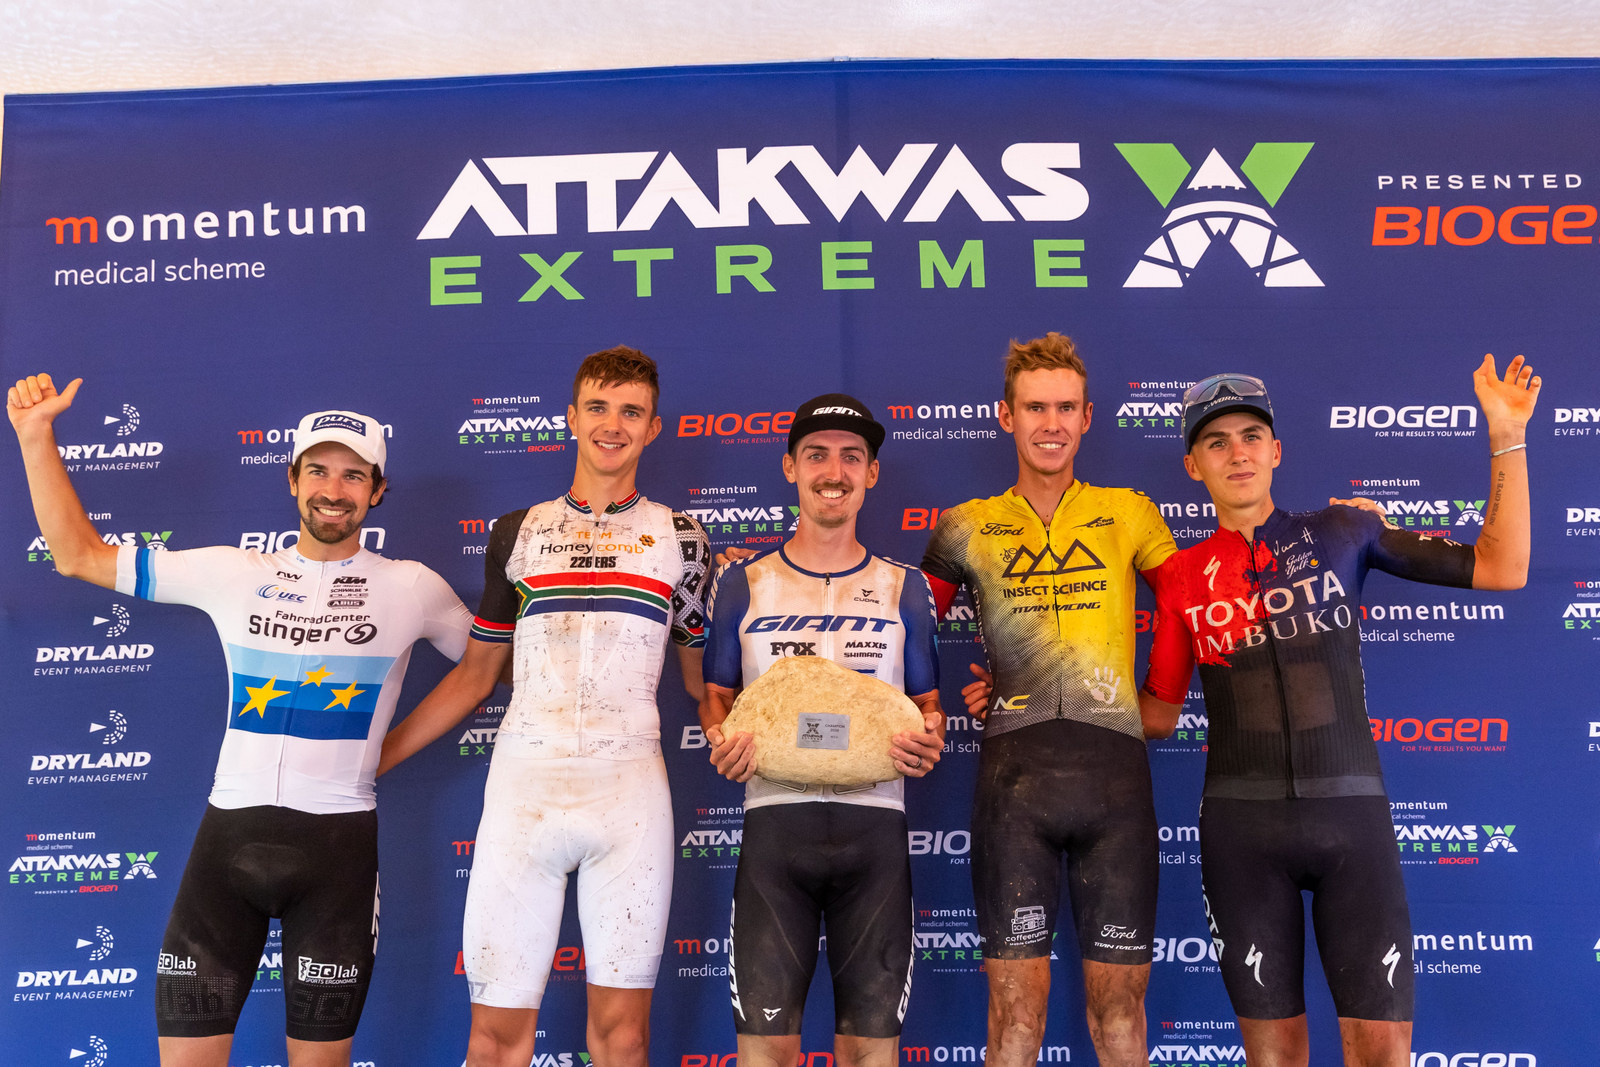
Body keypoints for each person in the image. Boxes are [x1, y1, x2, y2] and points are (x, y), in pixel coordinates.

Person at [7, 374, 472, 1067]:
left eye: (353, 475)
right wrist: (35, 435)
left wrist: (391, 749)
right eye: (318, 469)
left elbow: (494, 667)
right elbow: (78, 556)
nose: (333, 489)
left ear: (376, 491)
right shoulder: (233, 570)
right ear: (291, 479)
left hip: (338, 853)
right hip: (227, 843)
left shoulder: (413, 586)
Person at [1139, 355, 1538, 1067]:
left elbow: (1503, 567)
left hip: (1353, 821)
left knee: (1382, 1054)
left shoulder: (1344, 532)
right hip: (1241, 833)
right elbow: (1157, 714)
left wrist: (1506, 434)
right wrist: (1040, 689)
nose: (1238, 452)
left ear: (1277, 451)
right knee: (1274, 1058)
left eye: (1252, 436)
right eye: (1217, 441)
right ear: (1193, 465)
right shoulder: (1177, 579)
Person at [376, 346, 711, 1067]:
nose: (612, 425)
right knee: (494, 1042)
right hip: (524, 789)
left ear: (654, 428)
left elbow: (700, 680)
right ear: (571, 417)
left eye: (631, 412)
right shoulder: (516, 532)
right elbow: (475, 675)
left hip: (629, 795)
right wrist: (375, 759)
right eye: (597, 407)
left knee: (622, 1038)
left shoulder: (683, 539)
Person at [918, 333, 1176, 1067]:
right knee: (1014, 1017)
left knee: (1120, 1014)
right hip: (1013, 791)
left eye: (1065, 406)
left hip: (1116, 784)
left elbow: (1193, 605)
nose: (1051, 423)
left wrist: (1159, 699)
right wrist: (935, 699)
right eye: (1035, 407)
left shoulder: (1129, 511)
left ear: (1089, 416)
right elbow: (900, 628)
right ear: (1006, 416)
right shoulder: (966, 524)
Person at [701, 393, 946, 1067]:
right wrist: (721, 737)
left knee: (870, 1053)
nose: (832, 470)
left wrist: (930, 737)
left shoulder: (907, 586)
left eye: (850, 456)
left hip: (876, 836)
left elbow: (929, 705)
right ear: (789, 467)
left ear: (871, 473)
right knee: (765, 1054)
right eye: (816, 455)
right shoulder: (744, 582)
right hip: (776, 830)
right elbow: (715, 696)